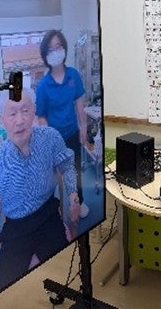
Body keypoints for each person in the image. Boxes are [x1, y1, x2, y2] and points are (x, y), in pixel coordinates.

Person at [0, 89, 80, 293]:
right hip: (16, 229)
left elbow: (67, 164)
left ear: (34, 112)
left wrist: (73, 195)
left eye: (25, 110)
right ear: (3, 121)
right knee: (5, 293)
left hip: (48, 216)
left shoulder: (50, 137)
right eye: (12, 114)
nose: (20, 120)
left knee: (66, 275)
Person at [36, 30, 89, 218]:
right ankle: (53, 209)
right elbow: (41, 116)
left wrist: (83, 127)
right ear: (45, 54)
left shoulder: (73, 75)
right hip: (53, 139)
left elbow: (79, 101)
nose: (55, 51)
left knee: (75, 171)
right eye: (50, 49)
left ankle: (79, 202)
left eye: (58, 47)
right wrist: (47, 138)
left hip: (72, 133)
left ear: (64, 49)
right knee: (52, 177)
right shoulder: (43, 85)